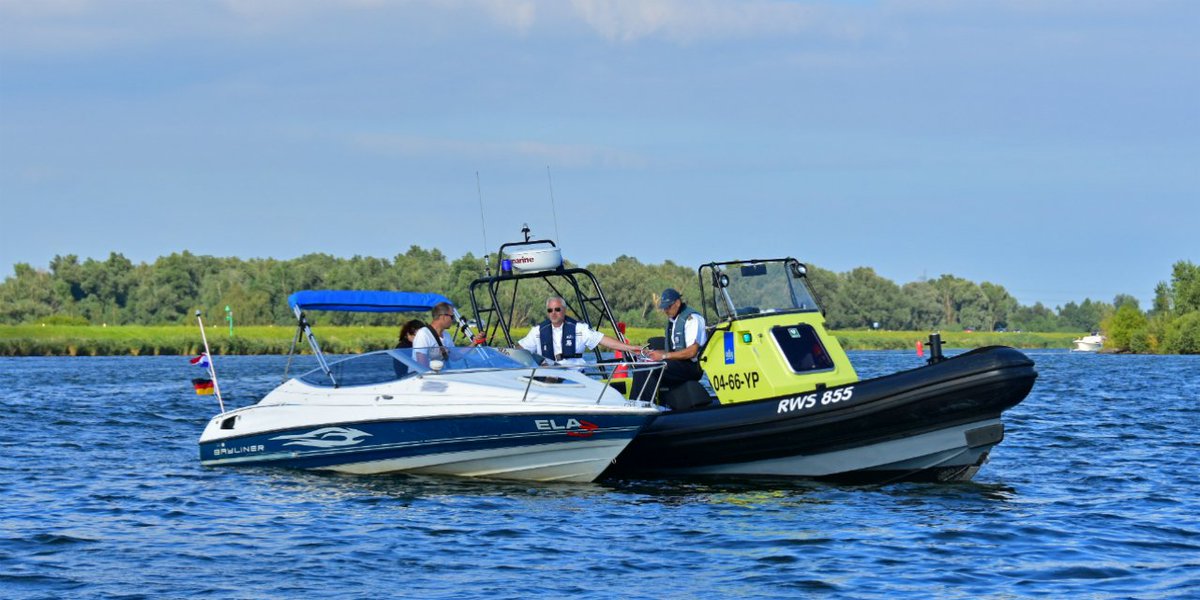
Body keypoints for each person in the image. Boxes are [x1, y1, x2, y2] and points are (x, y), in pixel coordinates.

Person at [517, 296, 643, 367]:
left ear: (564, 310)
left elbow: (603, 340)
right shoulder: (537, 331)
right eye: (550, 310)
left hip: (574, 372)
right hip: (547, 374)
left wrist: (630, 348)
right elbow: (519, 350)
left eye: (557, 309)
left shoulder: (579, 329)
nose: (553, 313)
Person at [646, 288, 707, 388]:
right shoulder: (673, 321)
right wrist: (654, 354)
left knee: (653, 368)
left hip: (692, 368)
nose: (666, 310)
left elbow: (692, 352)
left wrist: (663, 356)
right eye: (664, 308)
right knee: (643, 365)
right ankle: (638, 400)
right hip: (679, 363)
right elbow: (674, 351)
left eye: (668, 307)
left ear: (677, 303)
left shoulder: (692, 319)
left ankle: (645, 401)